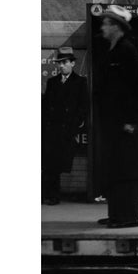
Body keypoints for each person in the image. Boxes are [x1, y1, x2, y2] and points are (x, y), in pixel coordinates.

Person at [94, 5, 138, 227]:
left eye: (106, 23)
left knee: (125, 171)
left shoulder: (127, 50)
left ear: (117, 27)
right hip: (114, 122)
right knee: (115, 169)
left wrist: (131, 120)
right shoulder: (113, 50)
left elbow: (135, 88)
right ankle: (117, 213)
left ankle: (128, 217)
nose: (103, 27)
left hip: (126, 123)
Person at [42, 46, 88, 205]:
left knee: (58, 163)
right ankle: (50, 195)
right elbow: (46, 106)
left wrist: (75, 127)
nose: (61, 66)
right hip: (51, 129)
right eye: (59, 63)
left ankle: (52, 195)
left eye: (65, 62)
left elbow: (83, 107)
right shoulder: (52, 82)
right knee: (49, 164)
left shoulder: (81, 82)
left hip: (67, 130)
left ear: (72, 64)